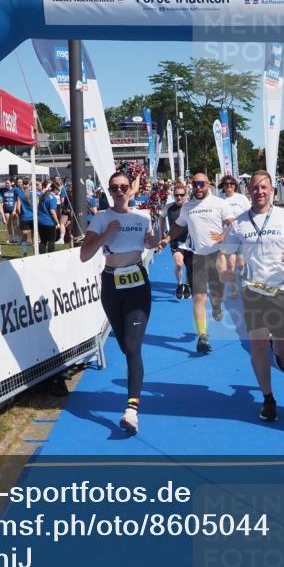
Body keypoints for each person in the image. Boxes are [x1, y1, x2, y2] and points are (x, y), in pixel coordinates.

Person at [218, 170, 284, 422]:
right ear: (248, 191)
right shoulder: (239, 222)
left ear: (272, 191)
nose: (259, 191)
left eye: (263, 187)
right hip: (254, 290)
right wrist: (224, 268)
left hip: (282, 288)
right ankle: (268, 399)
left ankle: (281, 352)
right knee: (257, 345)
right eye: (255, 187)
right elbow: (225, 252)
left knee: (283, 345)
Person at [80, 171, 158, 434]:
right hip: (111, 284)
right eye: (114, 187)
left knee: (133, 347)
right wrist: (106, 234)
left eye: (123, 186)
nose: (119, 191)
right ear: (109, 191)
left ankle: (131, 410)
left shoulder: (142, 216)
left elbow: (152, 241)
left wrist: (152, 240)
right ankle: (135, 382)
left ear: (131, 190)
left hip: (137, 284)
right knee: (126, 346)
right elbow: (84, 254)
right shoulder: (101, 217)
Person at [158, 173, 227, 353]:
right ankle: (202, 336)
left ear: (208, 184)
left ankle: (217, 304)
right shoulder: (188, 207)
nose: (197, 187)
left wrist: (224, 234)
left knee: (217, 293)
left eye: (201, 184)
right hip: (197, 256)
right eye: (194, 184)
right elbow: (179, 225)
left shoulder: (219, 203)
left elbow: (231, 223)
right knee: (198, 296)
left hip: (217, 255)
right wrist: (167, 239)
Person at [163, 182, 191, 299]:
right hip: (175, 239)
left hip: (190, 240)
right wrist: (161, 234)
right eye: (176, 195)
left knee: (189, 266)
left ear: (186, 195)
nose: (179, 197)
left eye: (181, 195)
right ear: (173, 195)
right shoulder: (168, 207)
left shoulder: (191, 207)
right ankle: (179, 284)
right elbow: (161, 217)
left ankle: (187, 285)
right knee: (179, 264)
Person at [36, 183, 61, 255]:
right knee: (51, 240)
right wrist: (57, 222)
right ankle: (51, 256)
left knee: (43, 240)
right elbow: (52, 211)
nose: (59, 192)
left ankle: (41, 256)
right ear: (55, 189)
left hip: (40, 221)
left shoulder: (43, 196)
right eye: (58, 190)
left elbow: (37, 204)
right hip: (49, 222)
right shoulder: (53, 198)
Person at [18, 181, 37, 256]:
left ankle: (25, 251)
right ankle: (35, 251)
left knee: (25, 235)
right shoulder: (34, 194)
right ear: (30, 186)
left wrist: (20, 214)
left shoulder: (20, 195)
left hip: (24, 217)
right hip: (33, 217)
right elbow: (37, 205)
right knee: (34, 235)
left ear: (23, 186)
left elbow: (18, 208)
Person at [1, 180, 19, 245]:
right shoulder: (3, 190)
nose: (7, 184)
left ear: (11, 183)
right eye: (6, 183)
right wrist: (1, 209)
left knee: (14, 224)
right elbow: (2, 200)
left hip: (13, 209)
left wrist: (14, 210)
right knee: (8, 224)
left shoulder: (14, 190)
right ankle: (10, 238)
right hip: (6, 209)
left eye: (8, 183)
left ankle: (16, 238)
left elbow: (16, 201)